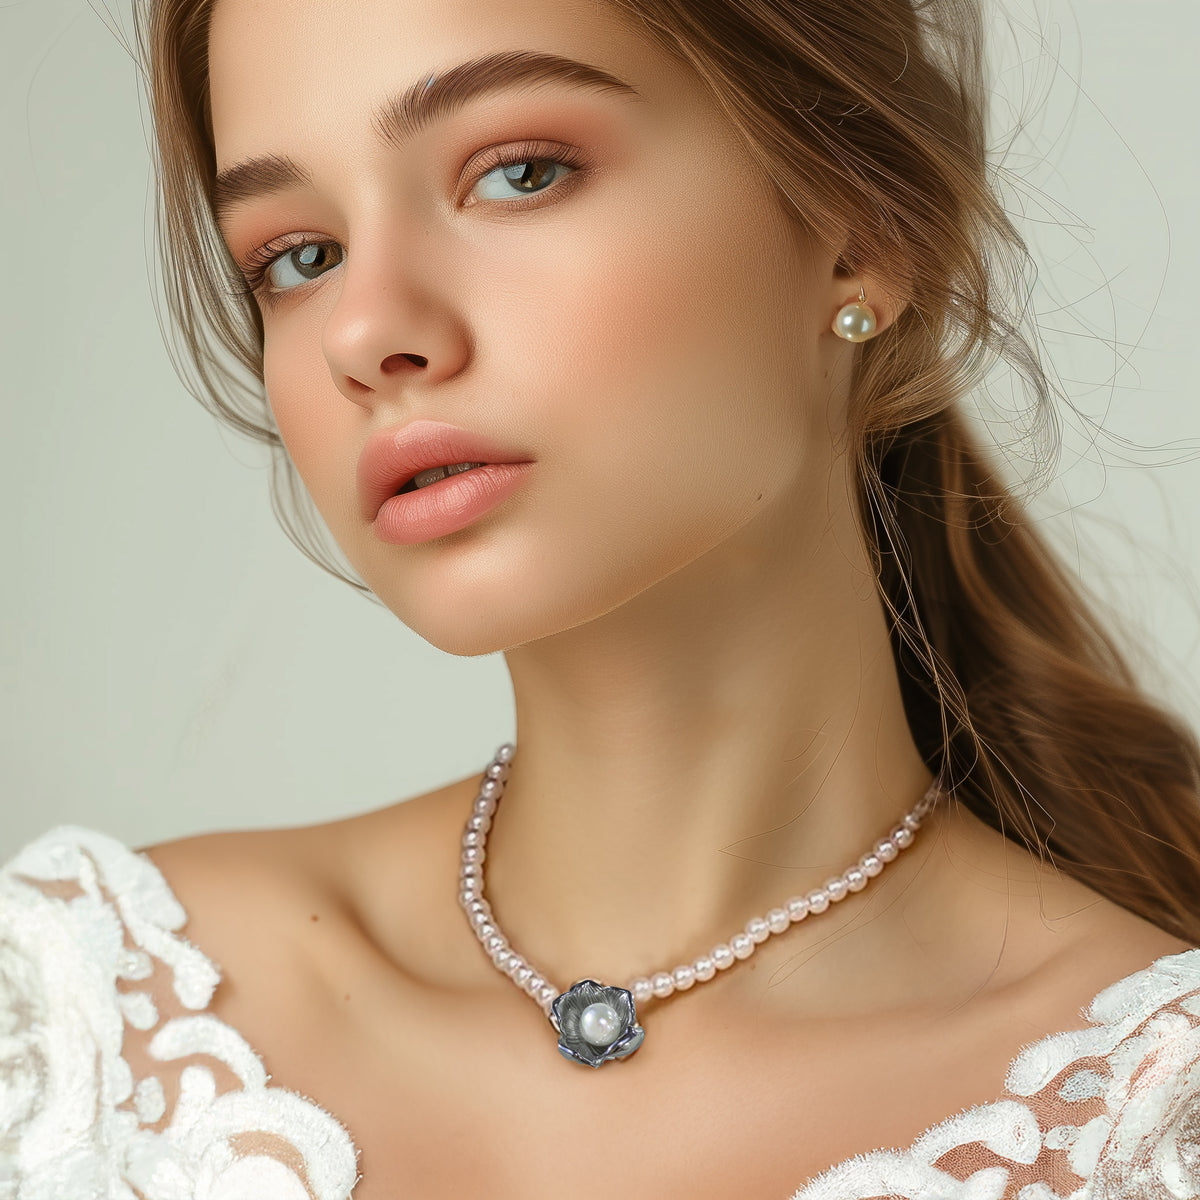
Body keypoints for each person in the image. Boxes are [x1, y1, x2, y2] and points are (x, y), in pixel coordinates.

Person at [3, 0, 1200, 1195]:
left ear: (862, 231)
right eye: (300, 257)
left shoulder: (1151, 1122)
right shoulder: (76, 1024)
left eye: (519, 173)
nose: (365, 333)